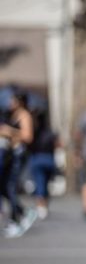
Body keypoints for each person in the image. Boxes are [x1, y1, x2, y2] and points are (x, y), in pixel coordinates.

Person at [0, 89, 37, 237]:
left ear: (19, 102)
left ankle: (17, 217)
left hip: (19, 153)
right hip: (10, 154)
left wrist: (9, 131)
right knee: (4, 186)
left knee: (10, 186)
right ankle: (20, 213)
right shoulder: (13, 115)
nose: (10, 103)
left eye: (13, 100)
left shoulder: (24, 115)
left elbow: (28, 136)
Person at [28, 107, 58, 220]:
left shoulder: (35, 133)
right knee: (45, 184)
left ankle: (41, 206)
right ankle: (44, 205)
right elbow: (57, 144)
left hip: (37, 159)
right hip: (49, 159)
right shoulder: (50, 132)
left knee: (39, 183)